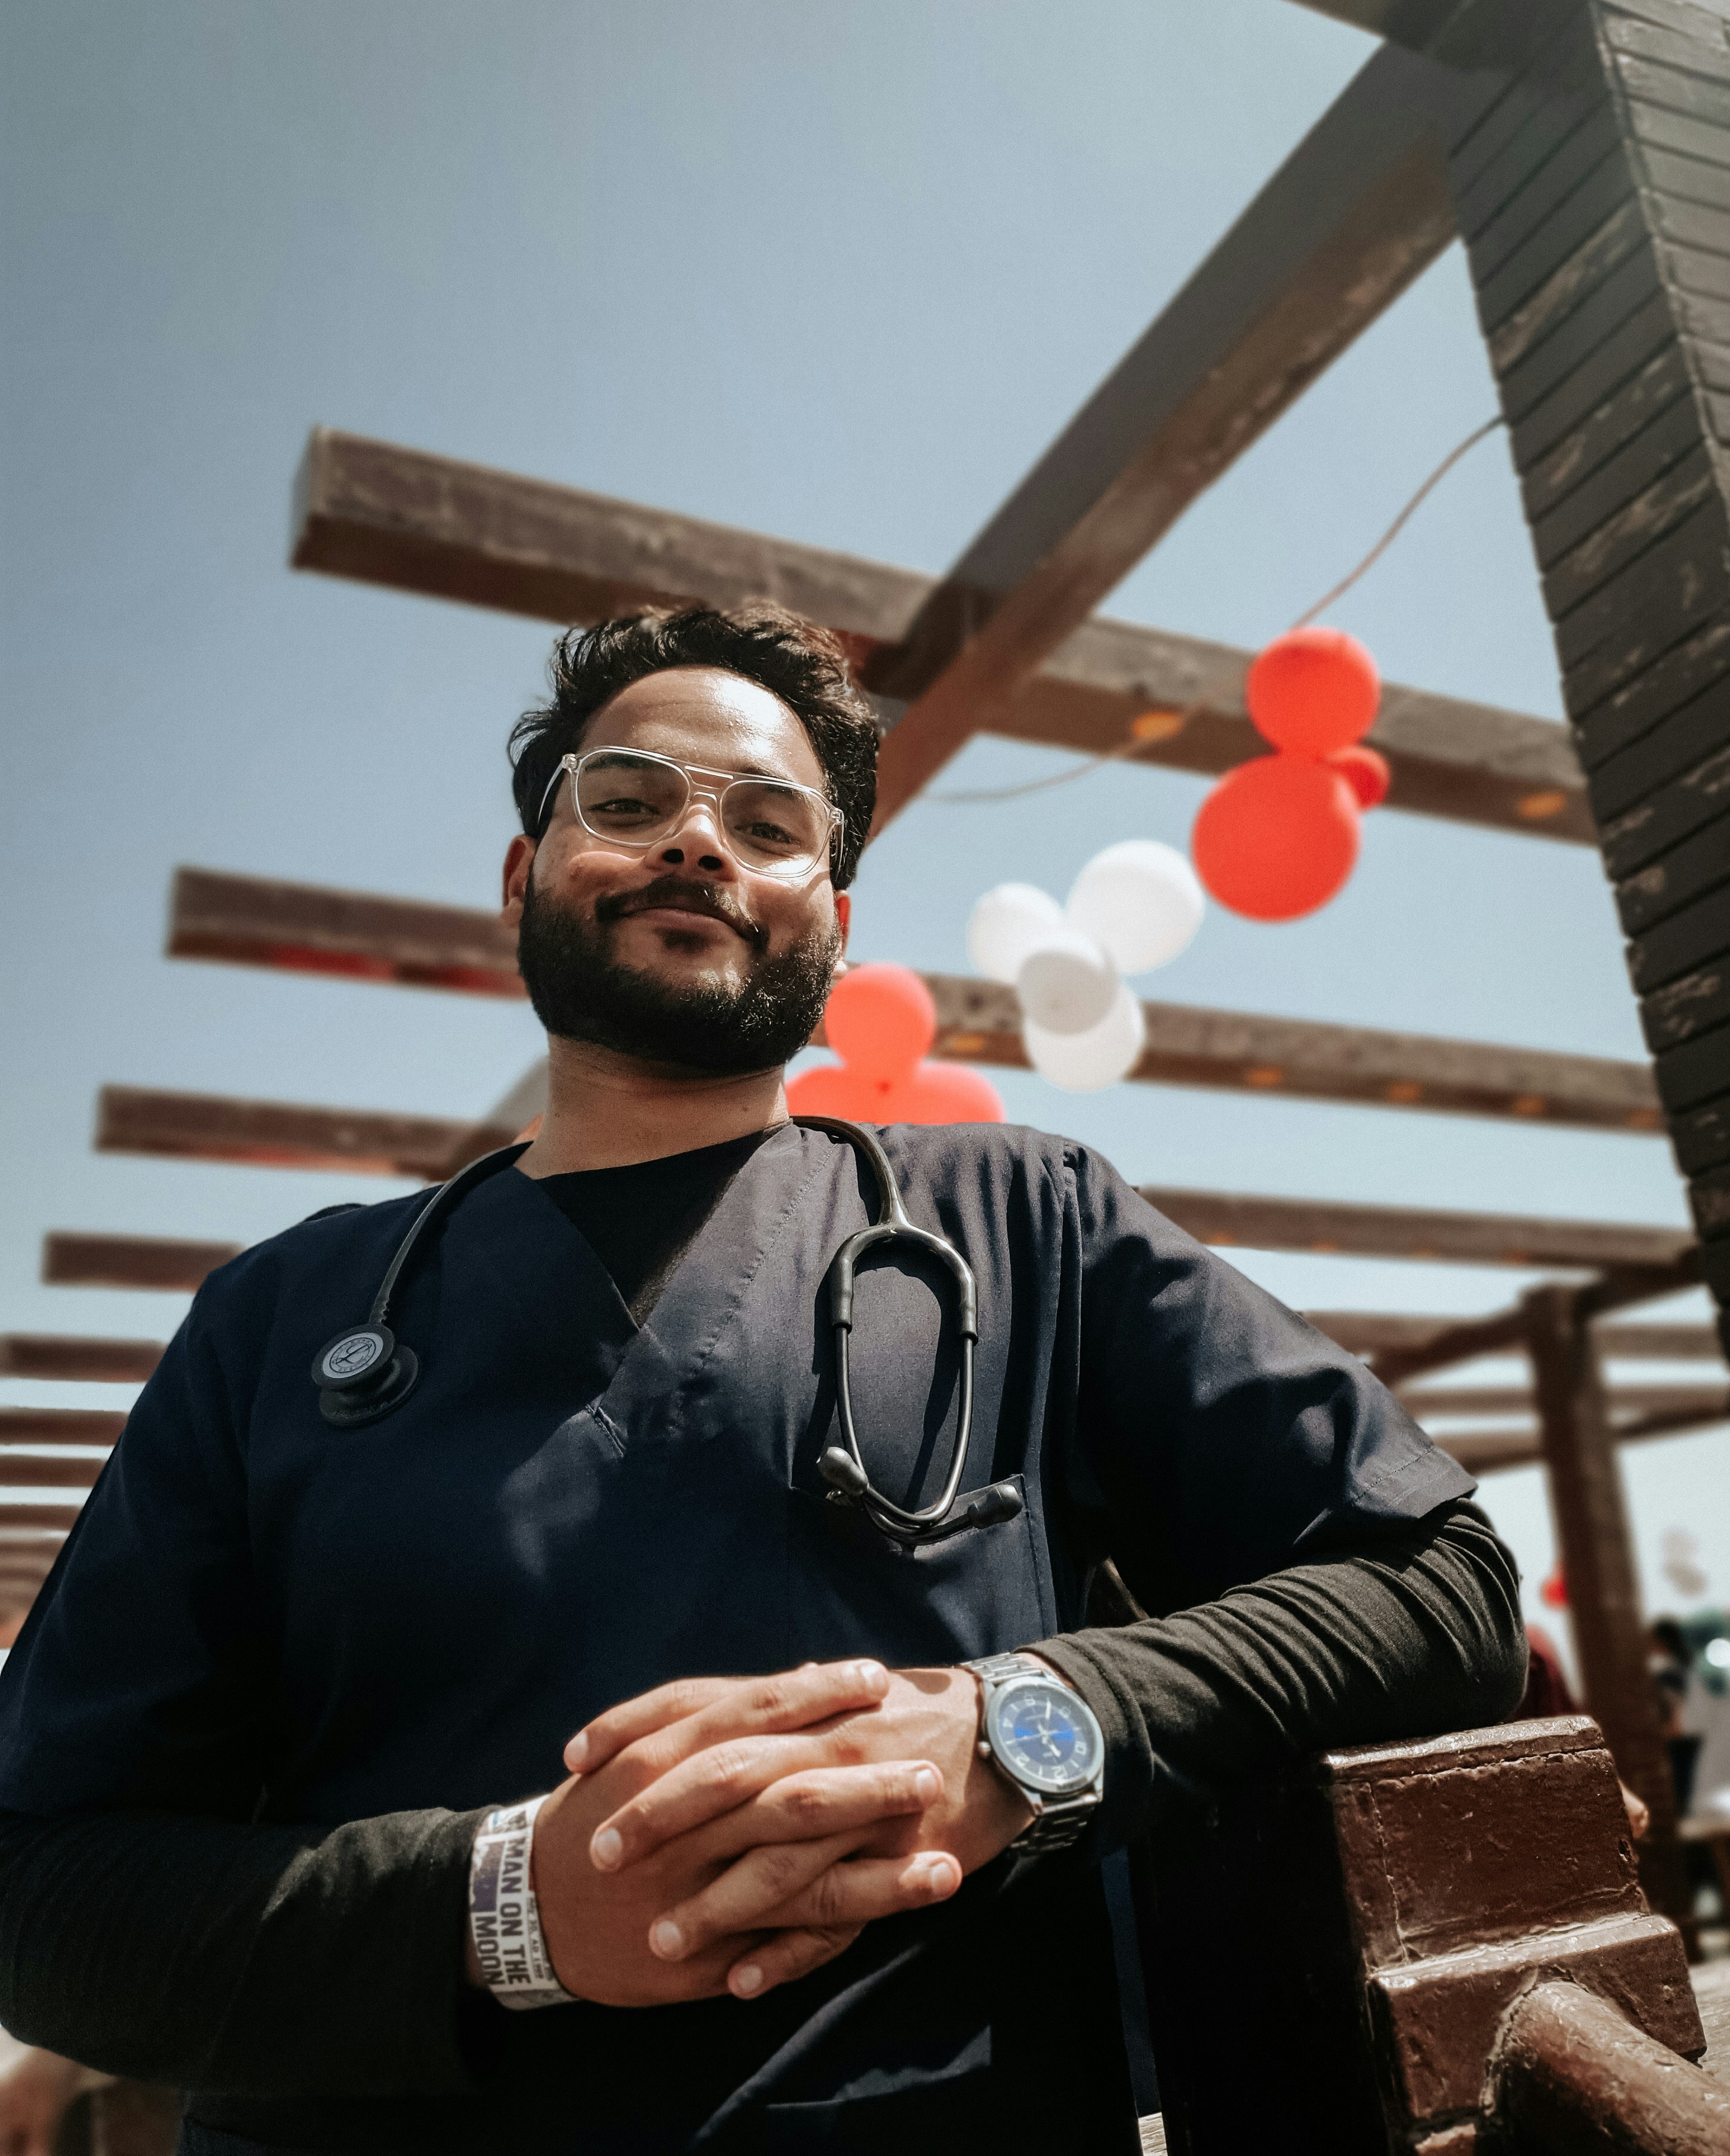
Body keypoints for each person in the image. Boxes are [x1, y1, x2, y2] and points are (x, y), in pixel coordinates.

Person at [0, 605, 1527, 2154]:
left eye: (769, 824)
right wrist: (501, 1907)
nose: (697, 843)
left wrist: (1025, 1723)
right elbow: (38, 1885)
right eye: (630, 799)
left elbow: (1440, 1579)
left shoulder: (1027, 1224)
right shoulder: (278, 1318)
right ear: (524, 876)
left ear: (837, 923)